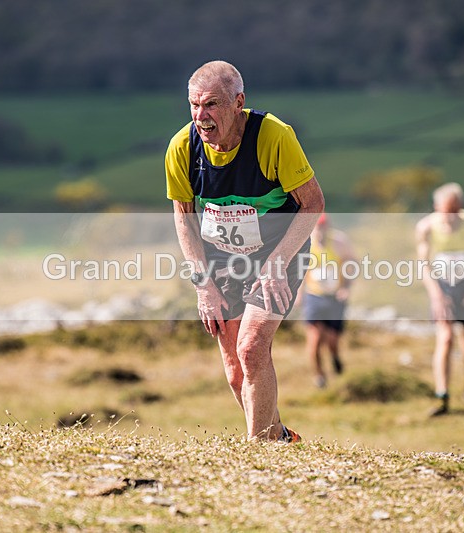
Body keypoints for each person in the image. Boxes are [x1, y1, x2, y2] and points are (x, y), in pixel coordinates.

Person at [165, 60, 324, 442]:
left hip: (278, 249)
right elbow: (184, 219)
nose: (201, 117)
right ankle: (277, 438)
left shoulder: (273, 136)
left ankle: (257, 451)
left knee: (252, 347)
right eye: (194, 105)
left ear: (239, 102)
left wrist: (277, 262)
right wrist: (203, 285)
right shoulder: (182, 148)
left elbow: (314, 203)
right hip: (221, 258)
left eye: (212, 105)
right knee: (236, 369)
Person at [415, 183, 464, 416]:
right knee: (446, 339)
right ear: (437, 207)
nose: (450, 216)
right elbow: (423, 264)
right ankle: (443, 397)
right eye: (446, 210)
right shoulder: (426, 227)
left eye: (455, 210)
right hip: (443, 287)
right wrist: (437, 295)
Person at [301, 214, 355, 388]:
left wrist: (346, 287)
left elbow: (352, 264)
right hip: (314, 296)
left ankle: (335, 357)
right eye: (316, 228)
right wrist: (299, 295)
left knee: (332, 340)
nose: (320, 232)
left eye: (322, 228)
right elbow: (298, 271)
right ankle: (319, 376)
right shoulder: (304, 243)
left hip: (335, 296)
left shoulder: (339, 242)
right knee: (315, 339)